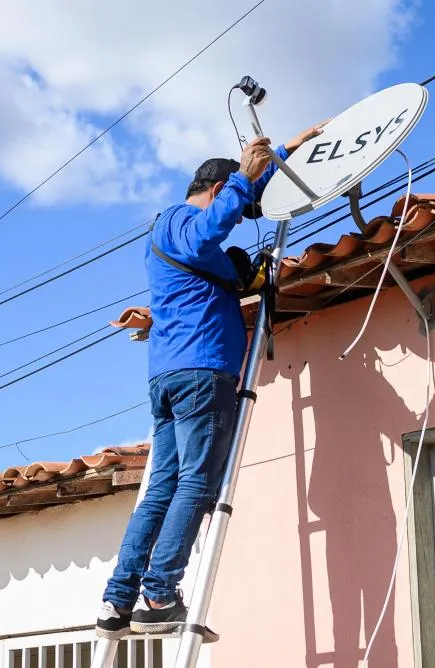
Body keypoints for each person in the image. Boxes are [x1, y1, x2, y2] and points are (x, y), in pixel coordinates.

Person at [96, 122, 327, 639]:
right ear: (220, 191)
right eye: (238, 205)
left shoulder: (184, 243)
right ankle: (159, 594)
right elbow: (209, 230)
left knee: (162, 487)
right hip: (202, 372)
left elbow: (221, 254)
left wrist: (293, 147)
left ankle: (119, 601)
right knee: (196, 483)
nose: (241, 220)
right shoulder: (179, 220)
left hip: (173, 373)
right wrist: (246, 177)